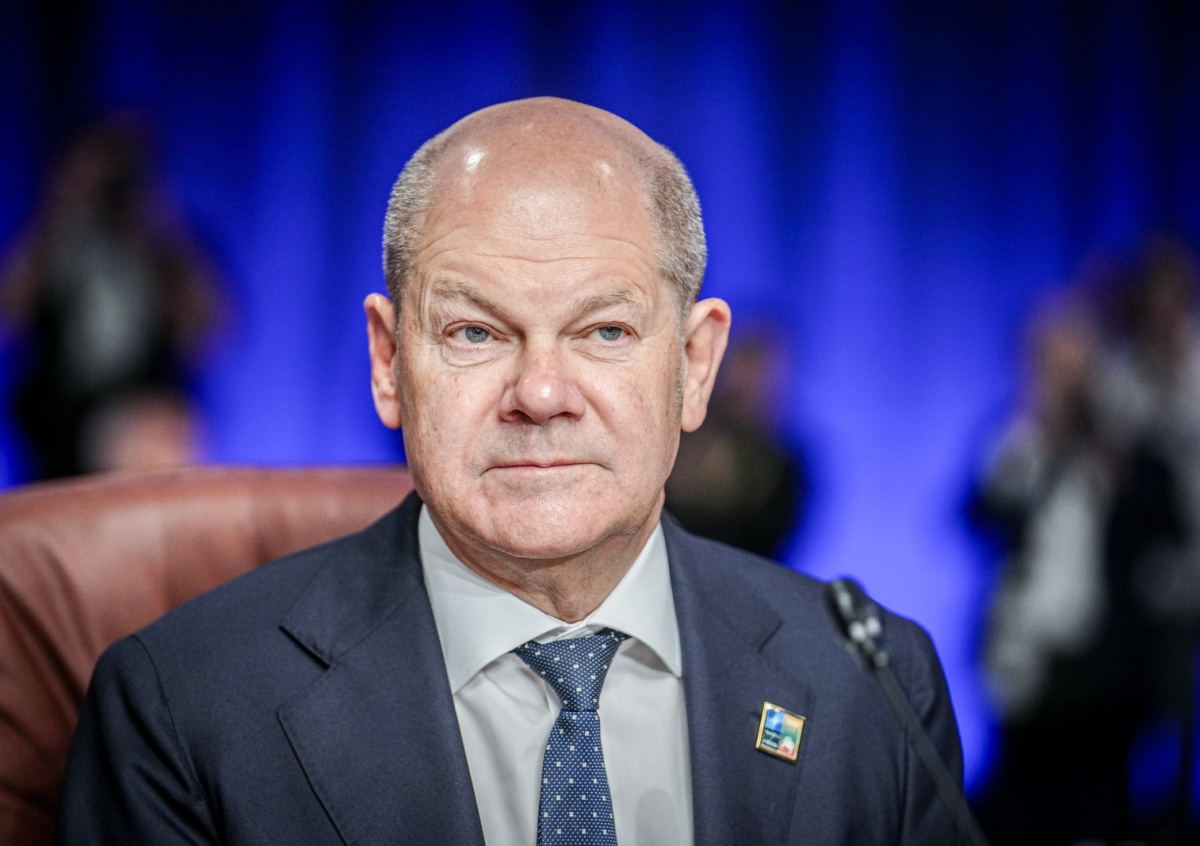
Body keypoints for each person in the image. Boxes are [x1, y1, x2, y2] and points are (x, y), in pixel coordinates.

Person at [55, 97, 962, 844]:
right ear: (388, 362)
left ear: (693, 367)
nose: (541, 393)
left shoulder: (874, 685)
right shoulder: (180, 707)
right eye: (475, 332)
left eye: (604, 331)